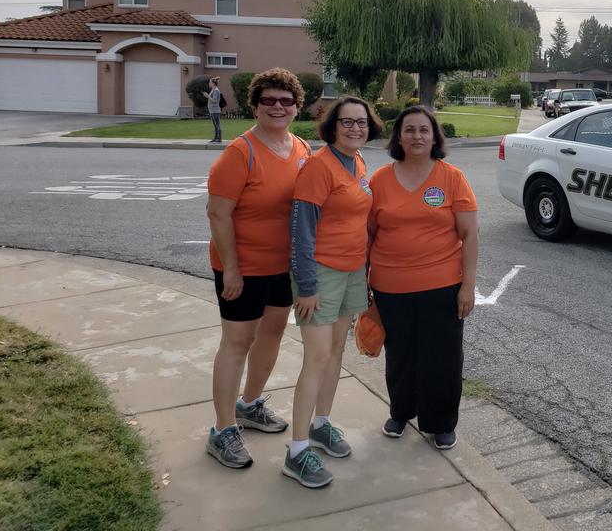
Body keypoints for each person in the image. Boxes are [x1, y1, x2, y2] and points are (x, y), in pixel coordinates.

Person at [205, 68, 312, 470]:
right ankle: (222, 429)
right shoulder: (240, 152)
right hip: (242, 267)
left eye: (287, 101)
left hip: (281, 267)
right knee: (237, 342)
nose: (278, 107)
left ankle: (249, 405)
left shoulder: (301, 147)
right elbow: (218, 213)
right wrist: (231, 269)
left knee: (271, 335)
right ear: (255, 105)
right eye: (269, 100)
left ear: (297, 106)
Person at [282, 96, 383, 488]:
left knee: (337, 351)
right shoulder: (318, 168)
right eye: (347, 122)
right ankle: (296, 451)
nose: (355, 128)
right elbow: (301, 233)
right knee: (318, 357)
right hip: (320, 276)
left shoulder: (356, 162)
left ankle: (321, 423)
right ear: (332, 126)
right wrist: (306, 286)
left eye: (361, 122)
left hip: (352, 270)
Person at [368, 105, 479, 450]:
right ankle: (402, 411)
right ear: (398, 137)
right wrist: (362, 281)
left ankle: (441, 422)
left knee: (443, 357)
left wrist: (468, 285)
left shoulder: (451, 177)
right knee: (399, 355)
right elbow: (368, 235)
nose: (417, 136)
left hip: (442, 287)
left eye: (423, 130)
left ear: (434, 137)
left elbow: (470, 234)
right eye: (409, 130)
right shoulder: (380, 180)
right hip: (390, 287)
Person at [207, 77, 223, 144]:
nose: (209, 83)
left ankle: (218, 139)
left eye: (210, 82)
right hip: (212, 110)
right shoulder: (213, 90)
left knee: (217, 125)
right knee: (215, 125)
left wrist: (207, 96)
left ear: (213, 83)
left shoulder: (216, 90)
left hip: (215, 110)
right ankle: (216, 138)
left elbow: (215, 100)